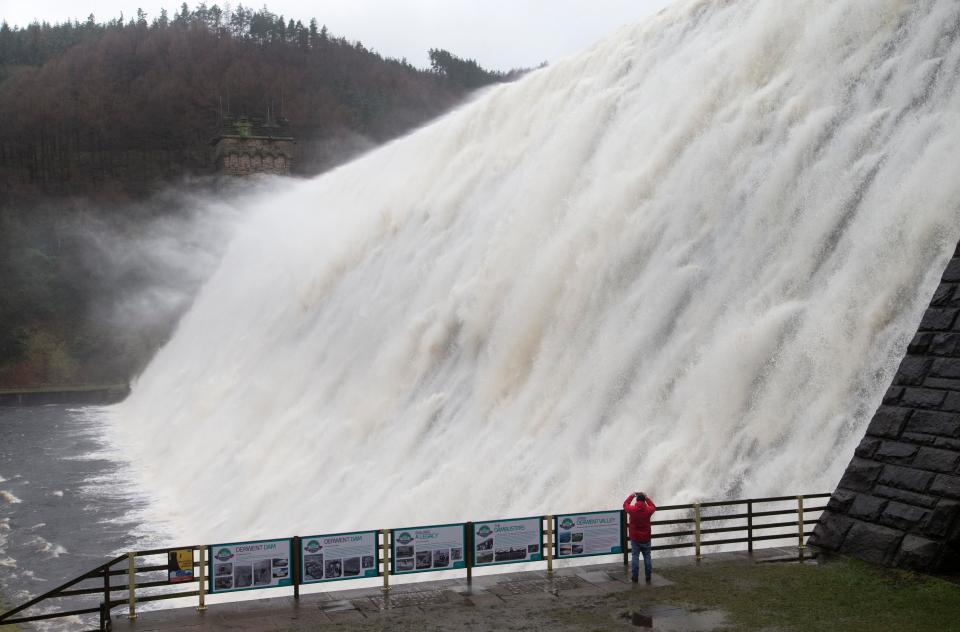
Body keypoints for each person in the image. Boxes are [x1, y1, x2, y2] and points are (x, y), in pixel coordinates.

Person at [624, 491, 656, 583]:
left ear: (636, 501)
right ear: (644, 501)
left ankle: (635, 577)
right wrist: (647, 497)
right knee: (647, 556)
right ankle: (648, 576)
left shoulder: (632, 510)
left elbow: (625, 504)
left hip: (635, 538)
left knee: (635, 556)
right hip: (646, 537)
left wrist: (631, 496)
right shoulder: (648, 510)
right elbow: (653, 507)